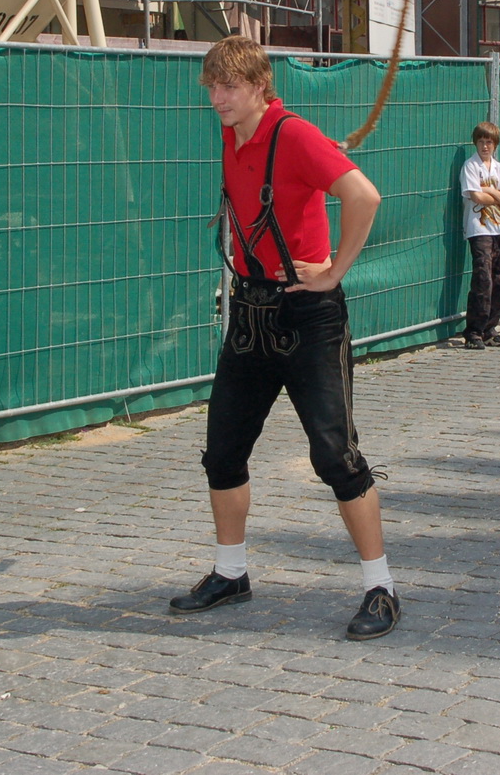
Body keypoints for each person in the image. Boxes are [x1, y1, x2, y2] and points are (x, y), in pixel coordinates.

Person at [182, 36, 398, 639]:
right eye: (212, 88)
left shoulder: (294, 133)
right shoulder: (233, 132)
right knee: (222, 452)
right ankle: (231, 573)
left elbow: (364, 195)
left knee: (336, 456)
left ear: (259, 86)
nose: (217, 99)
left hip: (308, 315)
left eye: (227, 87)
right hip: (250, 314)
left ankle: (381, 588)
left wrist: (333, 273)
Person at [460, 122, 500, 349]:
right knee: (483, 279)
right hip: (479, 229)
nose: (485, 146)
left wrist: (491, 191)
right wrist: (497, 196)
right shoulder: (471, 166)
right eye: (481, 141)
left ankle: (490, 328)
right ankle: (474, 330)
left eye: (489, 142)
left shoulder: (499, 169)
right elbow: (476, 196)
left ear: (495, 144)